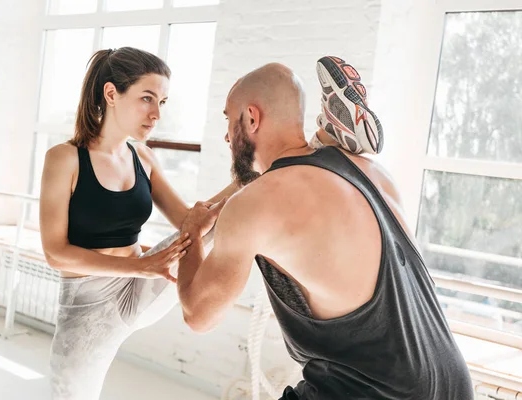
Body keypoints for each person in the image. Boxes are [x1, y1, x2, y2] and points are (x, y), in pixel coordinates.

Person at [176, 59, 474, 399]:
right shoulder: (369, 170)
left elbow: (198, 316)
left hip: (374, 392)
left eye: (229, 120)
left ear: (252, 118)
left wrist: (192, 234)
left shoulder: (252, 205)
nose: (227, 136)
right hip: (452, 381)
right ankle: (325, 131)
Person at [39, 47, 237, 400]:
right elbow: (55, 254)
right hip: (89, 304)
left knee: (212, 226)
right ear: (112, 94)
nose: (156, 113)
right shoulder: (64, 159)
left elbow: (191, 222)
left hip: (142, 284)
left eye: (162, 102)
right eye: (147, 98)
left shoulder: (142, 156)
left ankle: (273, 162)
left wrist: (245, 176)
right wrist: (137, 265)